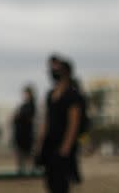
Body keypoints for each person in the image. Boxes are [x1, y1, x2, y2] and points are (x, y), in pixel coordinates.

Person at [36, 56, 83, 193]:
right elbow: (46, 121)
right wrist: (40, 144)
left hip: (63, 146)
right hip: (49, 144)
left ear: (66, 72)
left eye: (56, 69)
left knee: (61, 183)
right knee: (50, 181)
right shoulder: (50, 94)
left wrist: (66, 148)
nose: (52, 71)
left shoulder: (73, 94)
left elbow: (73, 123)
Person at [13, 85, 36, 174]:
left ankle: (31, 169)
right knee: (20, 152)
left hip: (26, 133)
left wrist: (19, 116)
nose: (25, 95)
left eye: (26, 93)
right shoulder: (24, 105)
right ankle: (21, 169)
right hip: (20, 132)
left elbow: (26, 117)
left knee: (28, 152)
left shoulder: (31, 105)